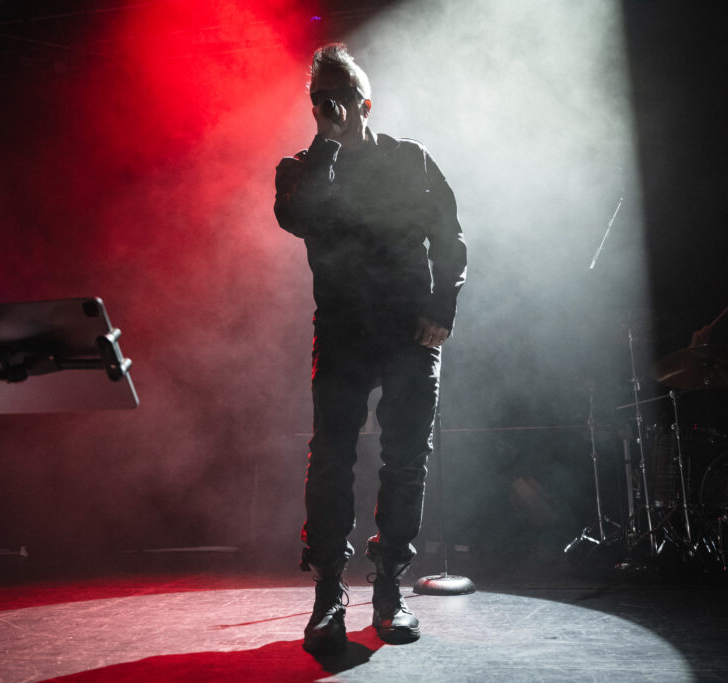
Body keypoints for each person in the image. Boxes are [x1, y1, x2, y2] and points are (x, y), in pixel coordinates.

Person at [274, 43, 466, 653]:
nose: (327, 106)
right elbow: (298, 218)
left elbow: (449, 237)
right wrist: (327, 147)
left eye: (339, 96)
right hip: (343, 330)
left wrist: (442, 307)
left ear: (365, 102)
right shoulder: (300, 168)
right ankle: (328, 593)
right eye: (318, 98)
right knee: (332, 457)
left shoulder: (410, 160)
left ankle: (389, 588)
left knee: (405, 459)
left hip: (409, 330)